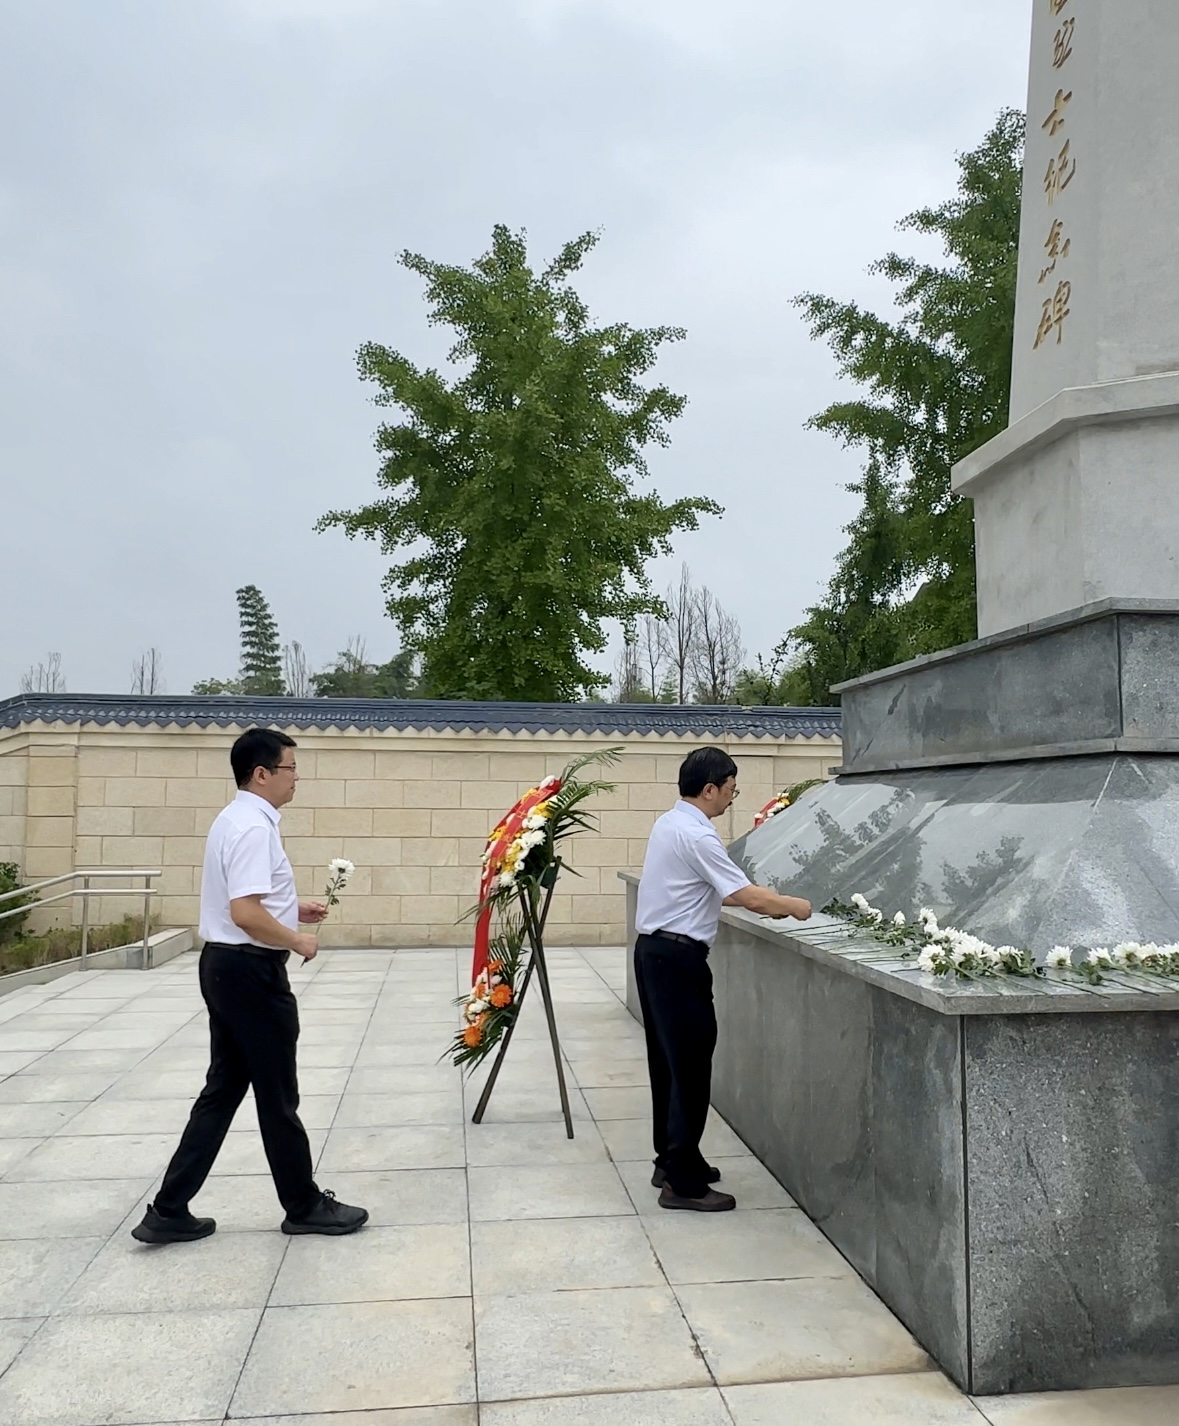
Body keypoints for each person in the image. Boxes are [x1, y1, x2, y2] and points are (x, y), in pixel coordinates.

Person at [132, 728, 368, 1243]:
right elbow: (244, 913)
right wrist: (296, 938)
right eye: (290, 768)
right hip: (250, 972)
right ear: (261, 773)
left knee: (223, 1090)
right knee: (277, 1094)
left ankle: (169, 1209)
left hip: (224, 968)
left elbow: (244, 900)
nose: (296, 778)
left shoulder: (234, 818)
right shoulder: (254, 828)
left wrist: (289, 906)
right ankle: (303, 1205)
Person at [634, 746, 812, 1212]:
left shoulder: (668, 823)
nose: (733, 797)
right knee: (691, 1068)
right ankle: (684, 1184)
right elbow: (746, 897)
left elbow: (710, 893)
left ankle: (672, 1158)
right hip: (677, 962)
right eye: (731, 789)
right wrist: (794, 906)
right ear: (709, 788)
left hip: (654, 953)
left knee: (668, 1066)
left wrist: (762, 900)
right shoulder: (698, 836)